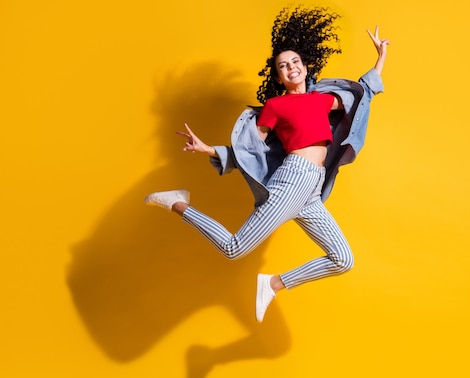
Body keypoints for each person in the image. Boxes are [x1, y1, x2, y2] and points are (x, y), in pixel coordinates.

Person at [145, 7, 390, 322]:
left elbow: (362, 94)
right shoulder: (275, 107)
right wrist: (210, 149)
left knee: (343, 259)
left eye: (295, 63)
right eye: (283, 66)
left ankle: (273, 283)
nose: (291, 68)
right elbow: (251, 150)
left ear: (305, 66)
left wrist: (380, 57)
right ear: (277, 76)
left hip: (312, 189)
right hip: (292, 180)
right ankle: (177, 203)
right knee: (234, 248)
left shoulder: (322, 99)